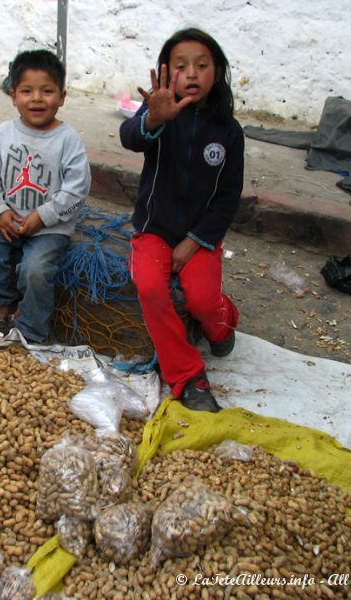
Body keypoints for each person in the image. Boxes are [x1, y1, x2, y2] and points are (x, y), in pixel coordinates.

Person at [119, 28, 244, 412]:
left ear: (217, 73)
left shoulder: (229, 132)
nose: (191, 74)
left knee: (203, 301)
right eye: (181, 66)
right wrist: (152, 120)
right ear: (166, 72)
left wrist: (196, 240)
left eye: (202, 66)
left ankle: (224, 320)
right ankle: (188, 377)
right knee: (151, 290)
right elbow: (130, 138)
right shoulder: (160, 112)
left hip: (200, 236)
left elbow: (227, 198)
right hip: (153, 230)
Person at [0, 49, 91, 344]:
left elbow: (78, 187)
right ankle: (2, 305)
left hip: (50, 228)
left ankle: (33, 328)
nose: (37, 98)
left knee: (35, 269)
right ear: (13, 95)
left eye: (47, 91)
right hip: (8, 220)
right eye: (27, 91)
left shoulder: (68, 140)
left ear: (62, 97)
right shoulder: (2, 134)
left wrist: (44, 216)